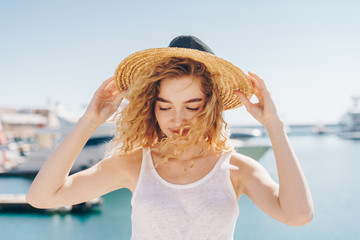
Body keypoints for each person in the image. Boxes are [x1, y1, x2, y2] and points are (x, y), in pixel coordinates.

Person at [27, 35, 313, 239]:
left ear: (211, 107)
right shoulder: (133, 164)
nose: (177, 120)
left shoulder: (237, 169)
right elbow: (41, 197)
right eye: (165, 106)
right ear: (152, 107)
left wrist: (273, 124)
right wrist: (89, 121)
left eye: (192, 106)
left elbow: (298, 215)